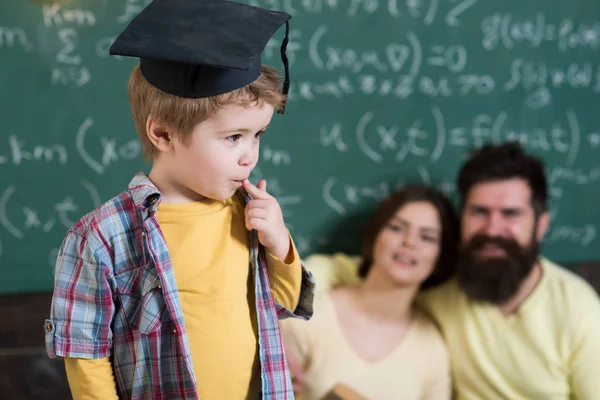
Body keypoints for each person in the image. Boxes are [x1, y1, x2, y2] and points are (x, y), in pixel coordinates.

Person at [43, 1, 315, 399]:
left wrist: (280, 246)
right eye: (233, 137)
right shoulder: (103, 236)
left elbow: (287, 306)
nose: (250, 155)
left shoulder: (248, 213)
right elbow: (85, 354)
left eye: (258, 135)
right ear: (164, 135)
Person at [307, 142, 600, 399]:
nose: (492, 229)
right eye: (479, 212)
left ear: (541, 224)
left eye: (511, 214)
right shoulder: (445, 285)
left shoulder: (580, 312)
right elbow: (364, 270)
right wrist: (295, 287)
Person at [281, 185, 459, 400]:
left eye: (427, 237)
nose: (409, 242)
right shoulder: (312, 316)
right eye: (397, 228)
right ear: (376, 235)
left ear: (440, 257)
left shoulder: (432, 350)